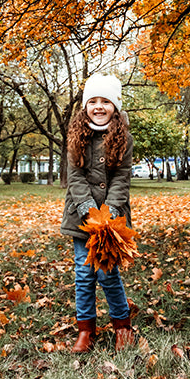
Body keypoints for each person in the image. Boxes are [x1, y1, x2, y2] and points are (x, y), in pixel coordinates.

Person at [60, 73, 136, 353]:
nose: (99, 106)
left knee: (107, 273)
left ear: (115, 106)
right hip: (80, 217)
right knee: (84, 272)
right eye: (93, 101)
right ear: (85, 106)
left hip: (112, 219)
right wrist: (89, 210)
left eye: (106, 101)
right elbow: (75, 176)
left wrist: (110, 211)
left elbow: (122, 177)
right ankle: (85, 331)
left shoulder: (123, 139)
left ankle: (123, 327)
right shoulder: (76, 136)